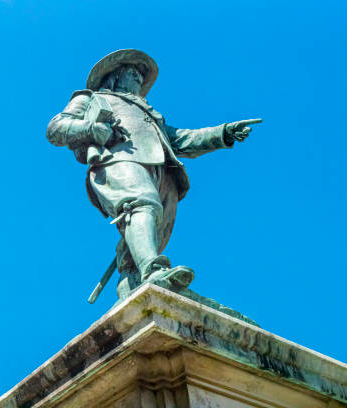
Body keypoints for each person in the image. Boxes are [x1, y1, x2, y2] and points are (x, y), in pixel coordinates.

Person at [46, 49, 261, 299]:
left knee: (154, 228)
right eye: (132, 73)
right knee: (142, 205)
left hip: (163, 170)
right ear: (115, 77)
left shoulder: (149, 114)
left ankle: (132, 282)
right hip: (119, 159)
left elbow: (180, 139)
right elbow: (56, 128)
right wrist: (92, 129)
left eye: (140, 75)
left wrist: (223, 133)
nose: (139, 78)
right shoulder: (92, 98)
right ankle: (153, 270)